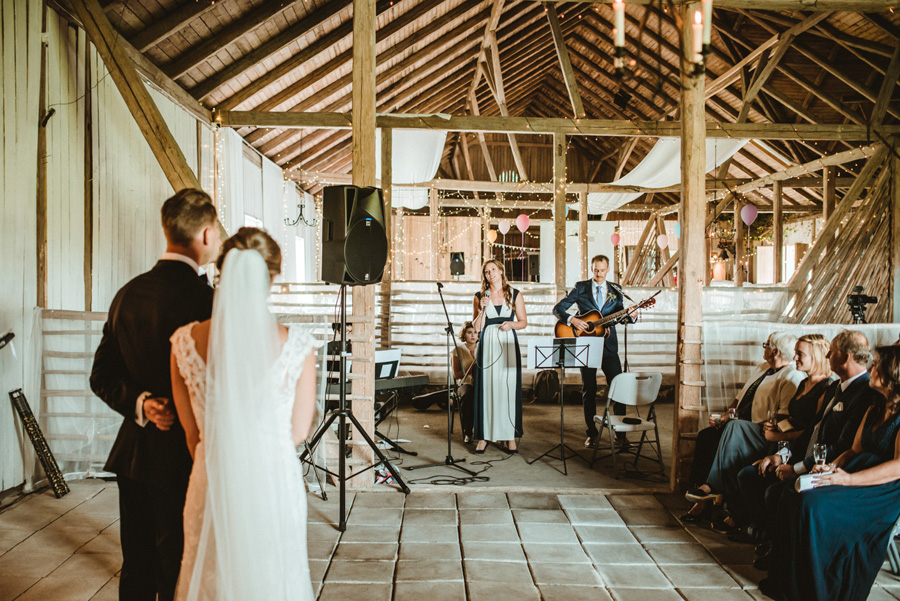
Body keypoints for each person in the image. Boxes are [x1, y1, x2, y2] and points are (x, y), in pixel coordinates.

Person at [170, 228, 319, 601]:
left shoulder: (184, 342)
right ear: (272, 277)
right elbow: (298, 431)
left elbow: (192, 434)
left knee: (210, 578)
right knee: (274, 578)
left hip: (212, 476)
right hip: (273, 481)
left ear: (222, 272)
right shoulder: (299, 345)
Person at [90, 189, 220, 601]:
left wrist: (142, 404)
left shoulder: (127, 294)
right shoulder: (210, 301)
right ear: (204, 234)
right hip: (189, 455)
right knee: (181, 565)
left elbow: (101, 375)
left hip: (136, 455)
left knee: (138, 566)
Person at [760, 345, 900, 601]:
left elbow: (898, 466)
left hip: (883, 488)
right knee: (796, 494)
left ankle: (820, 589)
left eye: (877, 364)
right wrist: (834, 466)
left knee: (813, 505)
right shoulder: (875, 406)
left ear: (894, 372)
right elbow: (855, 449)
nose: (870, 369)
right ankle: (794, 585)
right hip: (857, 471)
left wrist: (847, 479)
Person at [748, 330, 879, 566]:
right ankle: (772, 542)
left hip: (832, 467)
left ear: (845, 356)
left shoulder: (864, 394)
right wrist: (782, 454)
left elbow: (842, 446)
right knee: (753, 475)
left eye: (833, 351)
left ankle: (785, 554)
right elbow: (813, 430)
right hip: (807, 457)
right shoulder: (836, 387)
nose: (827, 354)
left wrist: (797, 468)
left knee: (778, 492)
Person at [710, 334, 835, 534]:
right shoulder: (804, 384)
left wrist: (778, 438)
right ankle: (736, 512)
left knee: (739, 448)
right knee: (722, 438)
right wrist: (775, 426)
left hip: (795, 447)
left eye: (799, 354)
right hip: (781, 440)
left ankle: (743, 518)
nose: (794, 358)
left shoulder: (826, 388)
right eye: (795, 353)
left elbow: (812, 431)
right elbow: (792, 418)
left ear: (817, 357)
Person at [682, 332, 803, 521]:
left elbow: (785, 415)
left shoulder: (791, 376)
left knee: (734, 429)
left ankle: (712, 486)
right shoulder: (764, 367)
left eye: (766, 345)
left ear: (775, 352)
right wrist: (725, 416)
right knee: (707, 435)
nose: (764, 348)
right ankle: (702, 499)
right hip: (739, 424)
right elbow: (740, 397)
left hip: (761, 431)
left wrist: (753, 424)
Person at [552, 254, 635, 449]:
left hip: (609, 346)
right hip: (586, 344)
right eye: (595, 270)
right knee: (589, 390)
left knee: (618, 388)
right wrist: (572, 320)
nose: (598, 274)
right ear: (591, 269)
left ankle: (620, 435)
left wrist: (632, 316)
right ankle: (592, 433)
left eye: (602, 270)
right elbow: (558, 309)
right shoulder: (581, 287)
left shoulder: (616, 290)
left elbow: (622, 316)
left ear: (608, 269)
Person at [472, 259, 527, 454]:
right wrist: (483, 310)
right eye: (487, 271)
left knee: (508, 388)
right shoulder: (480, 297)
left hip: (508, 343)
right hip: (488, 344)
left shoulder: (514, 294)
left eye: (493, 269)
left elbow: (523, 322)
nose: (490, 274)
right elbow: (477, 328)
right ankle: (485, 435)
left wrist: (511, 325)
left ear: (501, 271)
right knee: (488, 388)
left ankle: (509, 435)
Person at [452, 321, 478, 443]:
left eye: (475, 332)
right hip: (465, 383)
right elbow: (456, 374)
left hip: (481, 382)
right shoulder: (458, 350)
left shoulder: (483, 349)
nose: (473, 335)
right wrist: (469, 370)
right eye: (469, 332)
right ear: (464, 334)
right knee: (468, 395)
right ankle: (468, 432)